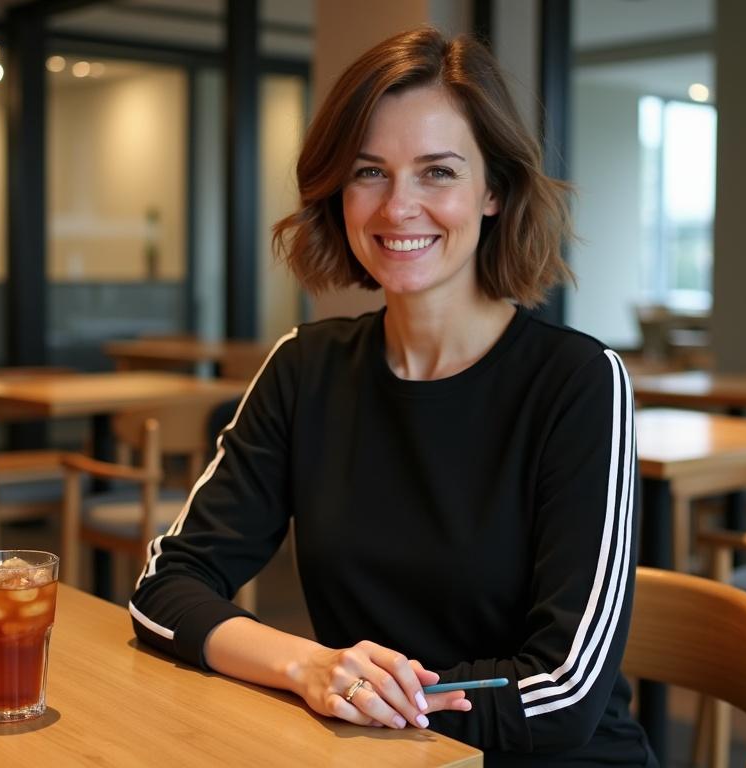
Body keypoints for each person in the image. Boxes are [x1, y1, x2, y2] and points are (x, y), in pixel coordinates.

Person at [131, 26, 653, 766]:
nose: (396, 207)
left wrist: (367, 702)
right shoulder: (305, 368)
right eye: (369, 172)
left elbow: (563, 693)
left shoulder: (578, 383)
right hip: (368, 751)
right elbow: (166, 589)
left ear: (494, 190)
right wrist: (309, 667)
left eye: (437, 172)